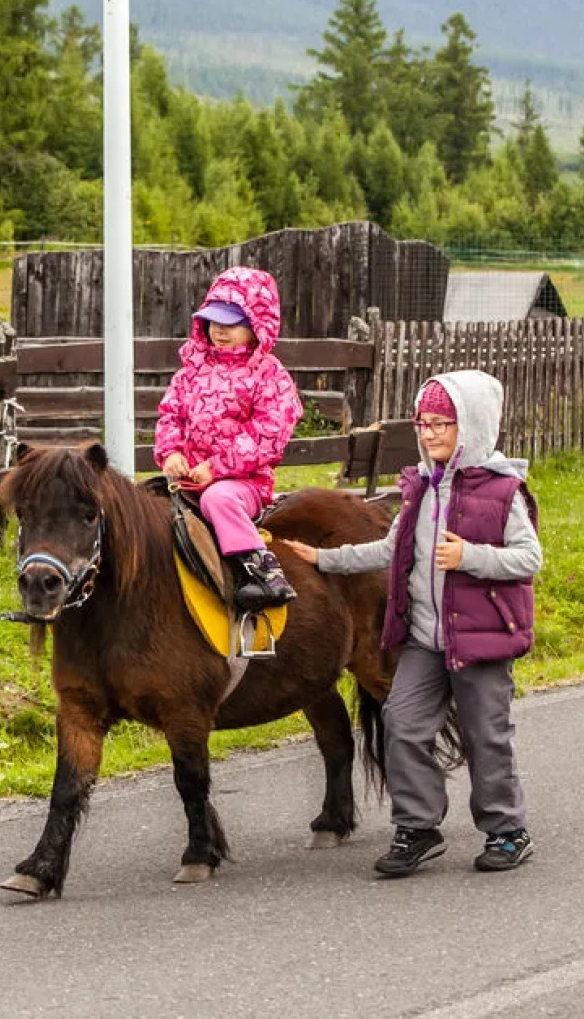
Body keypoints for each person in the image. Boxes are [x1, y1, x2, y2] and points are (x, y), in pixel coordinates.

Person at [287, 371, 541, 876]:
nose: (428, 433)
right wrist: (321, 558)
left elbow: (528, 559)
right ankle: (418, 827)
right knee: (401, 723)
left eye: (441, 423)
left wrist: (471, 556)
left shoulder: (503, 491)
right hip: (424, 640)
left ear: (469, 424)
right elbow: (387, 551)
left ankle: (507, 830)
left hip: (480, 638)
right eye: (422, 423)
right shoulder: (420, 490)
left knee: (484, 735)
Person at [154, 266, 304, 609]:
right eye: (213, 321)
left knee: (218, 500)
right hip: (190, 479)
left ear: (256, 326)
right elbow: (170, 414)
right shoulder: (191, 369)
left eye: (231, 323)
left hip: (242, 483)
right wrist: (172, 452)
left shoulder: (269, 376)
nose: (219, 330)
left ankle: (261, 572)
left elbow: (269, 433)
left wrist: (217, 468)